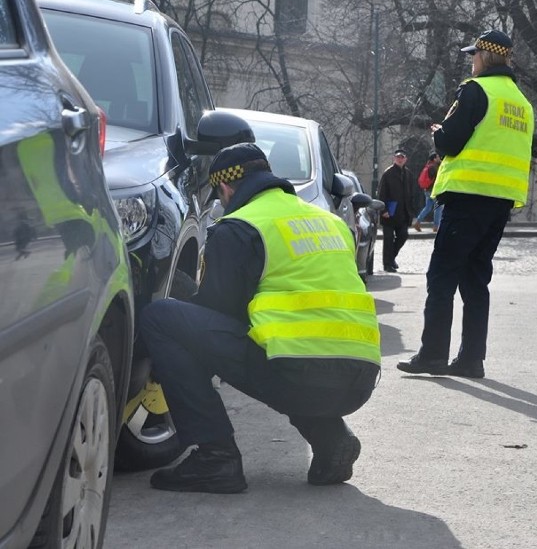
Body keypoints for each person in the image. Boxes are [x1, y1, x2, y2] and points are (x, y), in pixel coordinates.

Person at [139, 143, 381, 493]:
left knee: (161, 319)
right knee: (287, 347)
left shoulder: (239, 226)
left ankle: (215, 456)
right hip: (360, 378)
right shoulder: (330, 222)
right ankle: (330, 439)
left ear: (226, 188)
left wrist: (170, 368)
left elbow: (214, 315)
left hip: (298, 374)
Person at [396, 29, 534, 379]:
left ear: (485, 57)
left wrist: (437, 132)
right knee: (476, 280)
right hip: (500, 202)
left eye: (474, 56)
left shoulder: (475, 90)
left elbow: (450, 144)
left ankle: (433, 355)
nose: (471, 61)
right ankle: (472, 359)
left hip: (467, 196)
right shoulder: (522, 102)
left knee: (441, 276)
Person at [377, 148, 414, 272]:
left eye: (402, 157)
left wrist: (411, 211)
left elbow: (411, 193)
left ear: (405, 159)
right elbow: (381, 193)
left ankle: (391, 258)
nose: (400, 159)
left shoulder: (408, 174)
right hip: (389, 211)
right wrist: (383, 210)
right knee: (388, 239)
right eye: (398, 157)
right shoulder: (388, 173)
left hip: (403, 212)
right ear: (394, 158)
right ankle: (387, 264)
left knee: (403, 235)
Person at [413, 152, 442, 232]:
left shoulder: (428, 166)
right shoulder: (434, 167)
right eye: (438, 157)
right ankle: (436, 227)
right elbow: (439, 178)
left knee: (428, 207)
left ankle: (417, 222)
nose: (439, 158)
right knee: (438, 208)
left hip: (427, 190)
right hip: (434, 190)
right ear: (434, 159)